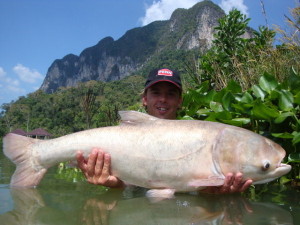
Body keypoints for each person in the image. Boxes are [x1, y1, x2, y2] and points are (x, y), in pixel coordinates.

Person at [76, 68, 253, 194]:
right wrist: (114, 184)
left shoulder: (197, 136)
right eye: (156, 93)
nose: (163, 99)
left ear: (180, 101)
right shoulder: (123, 137)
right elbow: (128, 186)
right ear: (145, 99)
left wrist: (211, 193)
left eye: (171, 94)